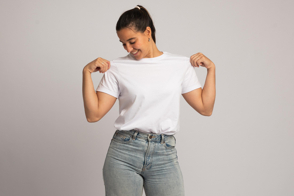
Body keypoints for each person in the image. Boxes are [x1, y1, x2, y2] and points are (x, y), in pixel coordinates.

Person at [82, 5, 216, 196]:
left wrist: (211, 70)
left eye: (132, 41)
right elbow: (93, 115)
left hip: (165, 154)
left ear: (147, 32)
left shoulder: (180, 65)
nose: (129, 48)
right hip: (124, 153)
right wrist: (86, 72)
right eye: (123, 43)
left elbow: (205, 108)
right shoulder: (117, 68)